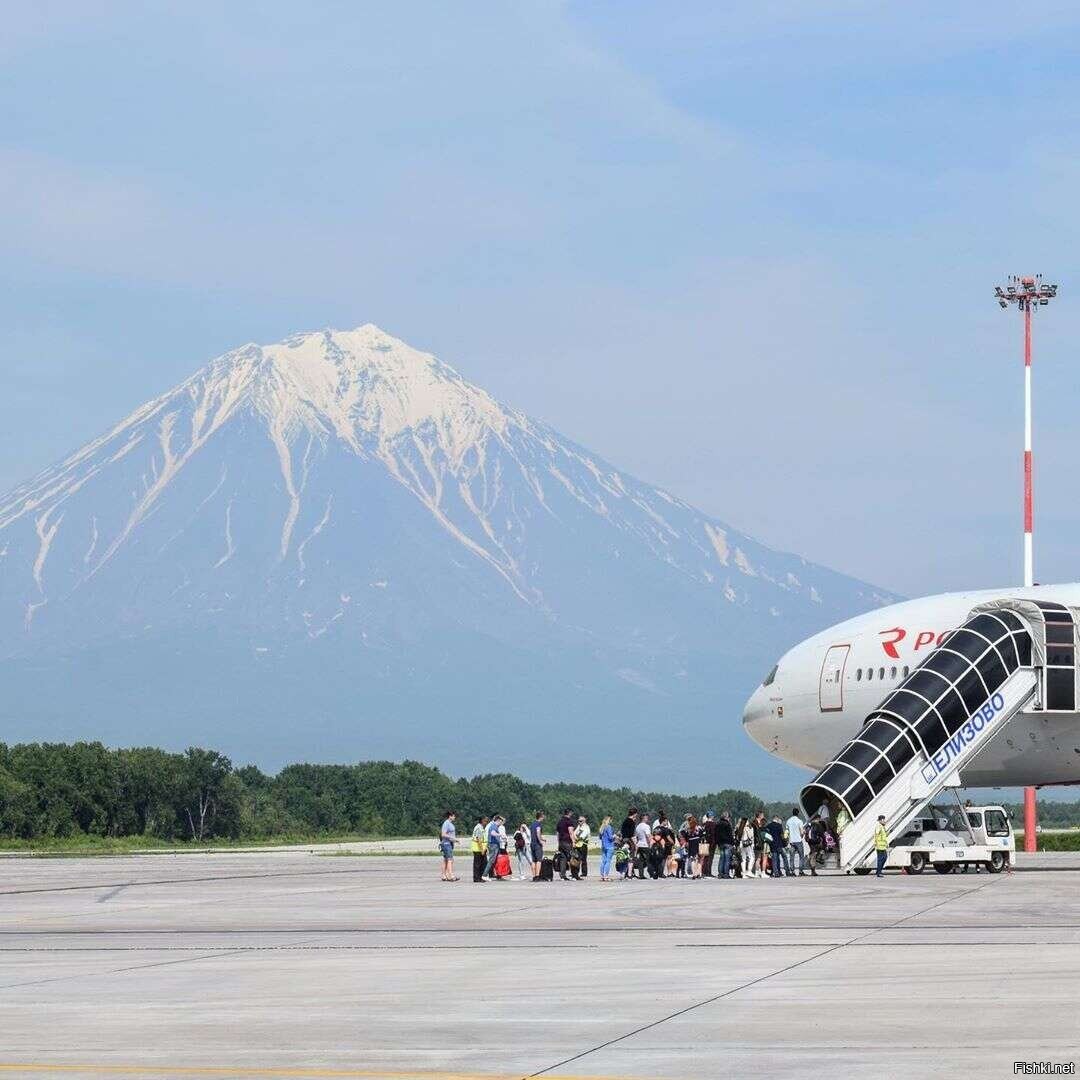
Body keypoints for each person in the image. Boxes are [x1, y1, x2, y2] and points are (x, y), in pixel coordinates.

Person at [556, 808, 576, 881]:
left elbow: (557, 833)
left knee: (563, 859)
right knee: (572, 857)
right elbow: (571, 832)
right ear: (569, 813)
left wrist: (559, 842)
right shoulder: (569, 821)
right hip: (567, 841)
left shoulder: (560, 821)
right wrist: (573, 842)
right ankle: (574, 875)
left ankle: (562, 875)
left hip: (561, 842)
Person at [786, 808, 806, 877]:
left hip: (791, 841)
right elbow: (801, 831)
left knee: (792, 857)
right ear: (798, 813)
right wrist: (803, 835)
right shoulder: (799, 821)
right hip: (798, 840)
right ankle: (800, 871)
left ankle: (792, 871)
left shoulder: (788, 821)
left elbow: (787, 832)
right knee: (801, 856)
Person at [439, 811, 458, 882]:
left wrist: (454, 840)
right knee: (450, 860)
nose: (454, 817)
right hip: (446, 844)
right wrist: (453, 838)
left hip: (449, 843)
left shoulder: (449, 823)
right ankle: (451, 876)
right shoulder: (446, 823)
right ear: (450, 816)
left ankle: (444, 875)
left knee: (446, 860)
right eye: (453, 816)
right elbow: (443, 834)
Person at [715, 811, 734, 880]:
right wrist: (732, 842)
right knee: (727, 859)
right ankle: (726, 873)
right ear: (726, 817)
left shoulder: (717, 823)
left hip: (720, 843)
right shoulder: (727, 824)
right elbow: (730, 835)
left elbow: (716, 834)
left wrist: (717, 842)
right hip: (727, 843)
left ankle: (720, 873)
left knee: (721, 858)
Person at [633, 813, 652, 879]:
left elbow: (636, 836)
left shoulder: (638, 826)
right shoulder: (646, 826)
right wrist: (650, 844)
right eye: (647, 818)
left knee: (640, 860)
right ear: (644, 818)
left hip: (639, 845)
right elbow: (648, 836)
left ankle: (641, 875)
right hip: (645, 845)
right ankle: (651, 874)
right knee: (649, 860)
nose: (648, 819)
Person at [485, 814, 504, 880]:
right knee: (491, 861)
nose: (501, 824)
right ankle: (485, 875)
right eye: (501, 822)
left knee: (495, 861)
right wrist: (500, 835)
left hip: (495, 845)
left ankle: (497, 874)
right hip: (493, 845)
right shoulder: (494, 826)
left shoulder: (495, 826)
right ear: (498, 821)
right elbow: (492, 833)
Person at [471, 815, 489, 884]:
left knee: (483, 863)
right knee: (477, 864)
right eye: (485, 821)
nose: (486, 822)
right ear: (482, 821)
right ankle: (476, 878)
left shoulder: (481, 827)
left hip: (481, 848)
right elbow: (478, 839)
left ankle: (480, 877)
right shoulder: (479, 828)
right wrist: (482, 849)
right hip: (478, 849)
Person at [572, 815, 591, 880]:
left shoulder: (586, 827)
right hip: (577, 844)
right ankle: (575, 872)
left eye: (580, 821)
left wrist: (576, 838)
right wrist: (575, 838)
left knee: (583, 859)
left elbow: (582, 836)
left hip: (583, 845)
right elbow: (574, 833)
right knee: (576, 859)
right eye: (578, 821)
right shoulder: (579, 826)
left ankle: (584, 872)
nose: (579, 822)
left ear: (584, 821)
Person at [598, 816, 616, 881]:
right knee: (608, 861)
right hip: (609, 846)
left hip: (603, 846)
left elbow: (600, 837)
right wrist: (615, 836)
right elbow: (610, 837)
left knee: (603, 861)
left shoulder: (602, 827)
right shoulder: (608, 827)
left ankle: (602, 875)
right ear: (609, 820)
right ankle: (606, 876)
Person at [529, 811, 545, 881]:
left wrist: (542, 838)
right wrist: (540, 841)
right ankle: (537, 876)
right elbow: (538, 832)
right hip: (537, 844)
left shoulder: (532, 824)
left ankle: (534, 876)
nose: (543, 818)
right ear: (540, 817)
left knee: (533, 860)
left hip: (532, 843)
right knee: (539, 860)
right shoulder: (539, 824)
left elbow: (533, 833)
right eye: (543, 816)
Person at [701, 811, 718, 877]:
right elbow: (713, 835)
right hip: (711, 843)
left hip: (705, 843)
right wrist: (714, 843)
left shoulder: (704, 824)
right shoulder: (713, 824)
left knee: (705, 858)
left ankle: (703, 871)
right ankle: (708, 872)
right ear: (712, 816)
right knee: (710, 858)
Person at [752, 812, 767, 878]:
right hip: (758, 842)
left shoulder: (753, 823)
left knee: (757, 858)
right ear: (760, 816)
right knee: (758, 858)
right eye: (762, 815)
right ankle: (757, 872)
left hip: (756, 842)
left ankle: (756, 872)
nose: (763, 816)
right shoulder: (757, 824)